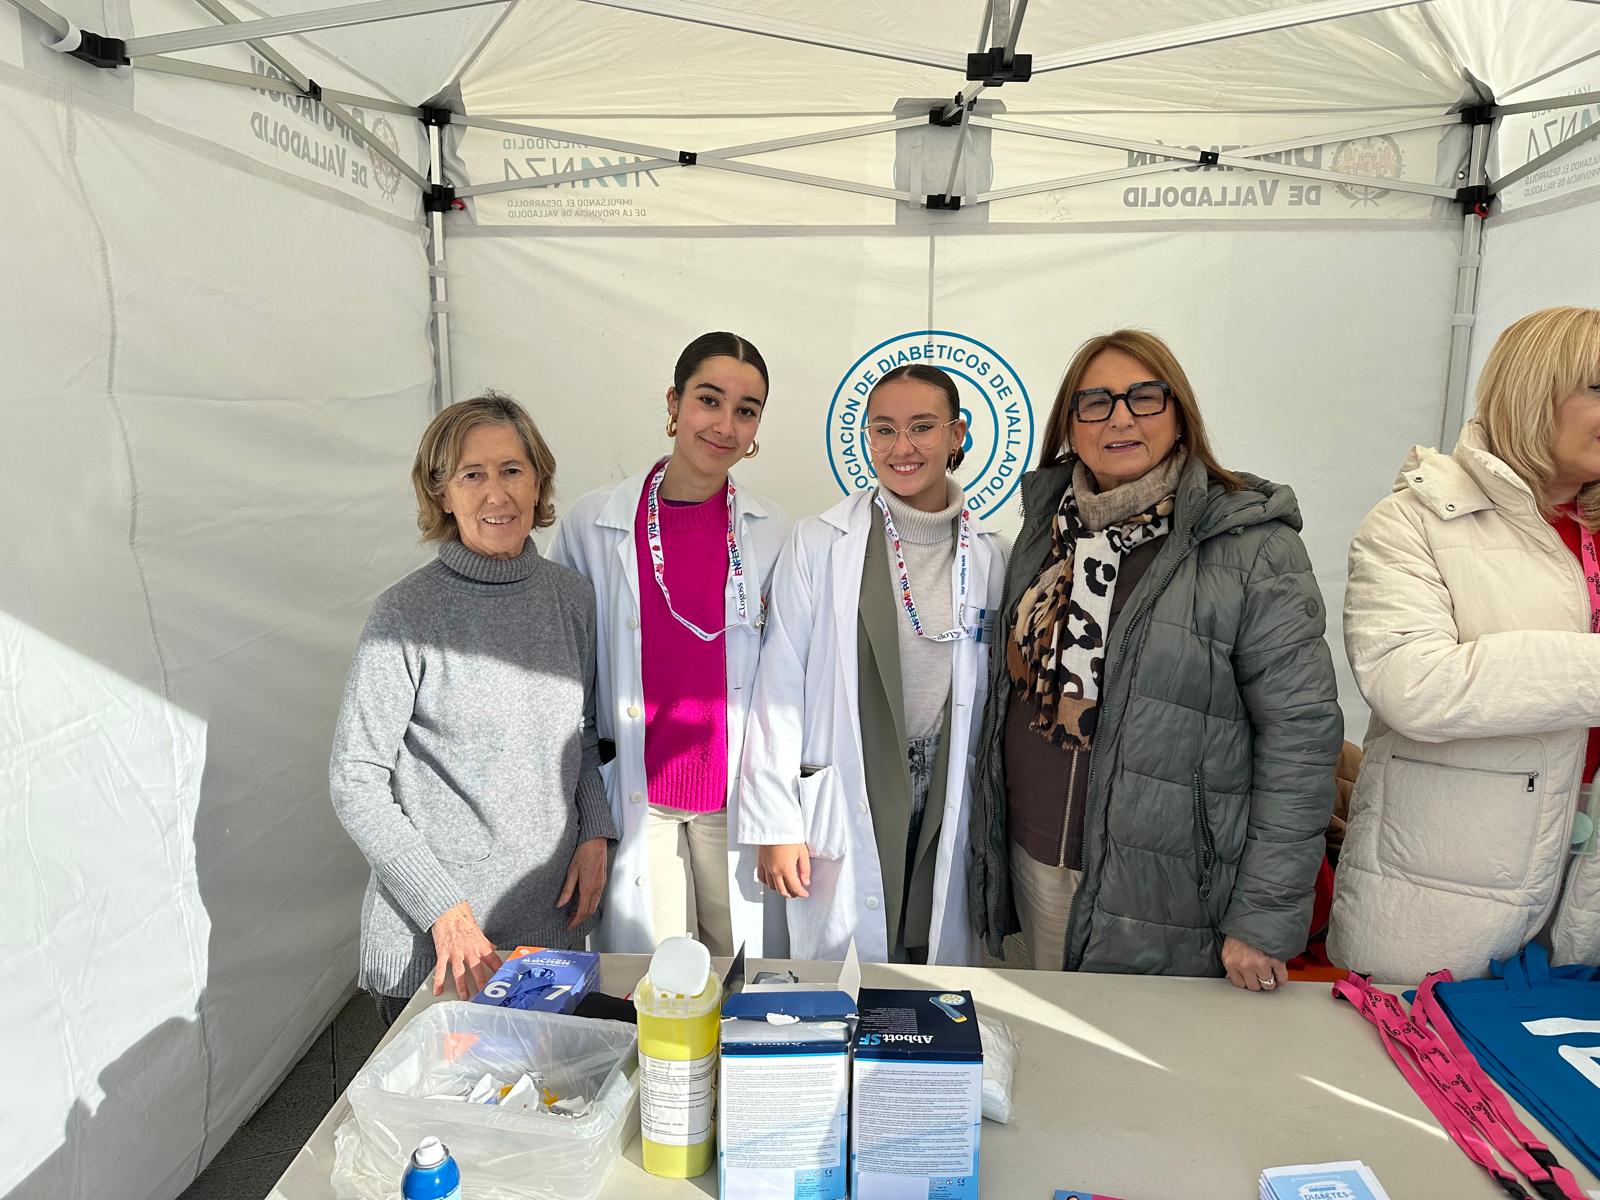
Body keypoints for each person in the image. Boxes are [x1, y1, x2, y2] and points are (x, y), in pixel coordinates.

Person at [969, 329, 1342, 989]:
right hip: (1037, 859)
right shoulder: (1046, 529)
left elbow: (1301, 737)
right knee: (1055, 1040)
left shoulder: (1250, 545)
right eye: (1096, 402)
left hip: (1169, 889)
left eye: (1144, 397)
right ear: (1070, 426)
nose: (1120, 418)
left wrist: (1263, 915)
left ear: (1179, 415)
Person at [1330, 306, 1600, 982]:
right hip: (1443, 905)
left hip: (1584, 898)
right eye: (1598, 387)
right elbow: (1411, 684)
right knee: (1417, 1049)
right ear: (1534, 391)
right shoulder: (1413, 522)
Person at [330, 392, 617, 1026]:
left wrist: (595, 831)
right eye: (472, 475)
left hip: (548, 930)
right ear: (441, 493)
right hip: (440, 948)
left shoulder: (572, 598)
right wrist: (442, 909)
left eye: (512, 470)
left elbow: (582, 733)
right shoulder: (404, 615)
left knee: (547, 1086)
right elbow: (356, 780)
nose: (497, 494)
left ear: (538, 480)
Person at [741, 364, 1007, 964]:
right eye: (884, 429)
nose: (901, 447)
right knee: (847, 966)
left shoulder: (991, 553)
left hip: (945, 775)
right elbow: (779, 681)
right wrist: (776, 823)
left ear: (957, 434)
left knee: (931, 953)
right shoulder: (820, 541)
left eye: (922, 427)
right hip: (851, 776)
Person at [551, 332, 791, 956]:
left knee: (741, 972)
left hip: (734, 795)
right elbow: (565, 677)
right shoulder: (593, 523)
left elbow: (786, 676)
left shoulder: (774, 532)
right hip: (641, 792)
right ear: (673, 403)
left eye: (746, 410)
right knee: (659, 979)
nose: (725, 425)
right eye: (709, 400)